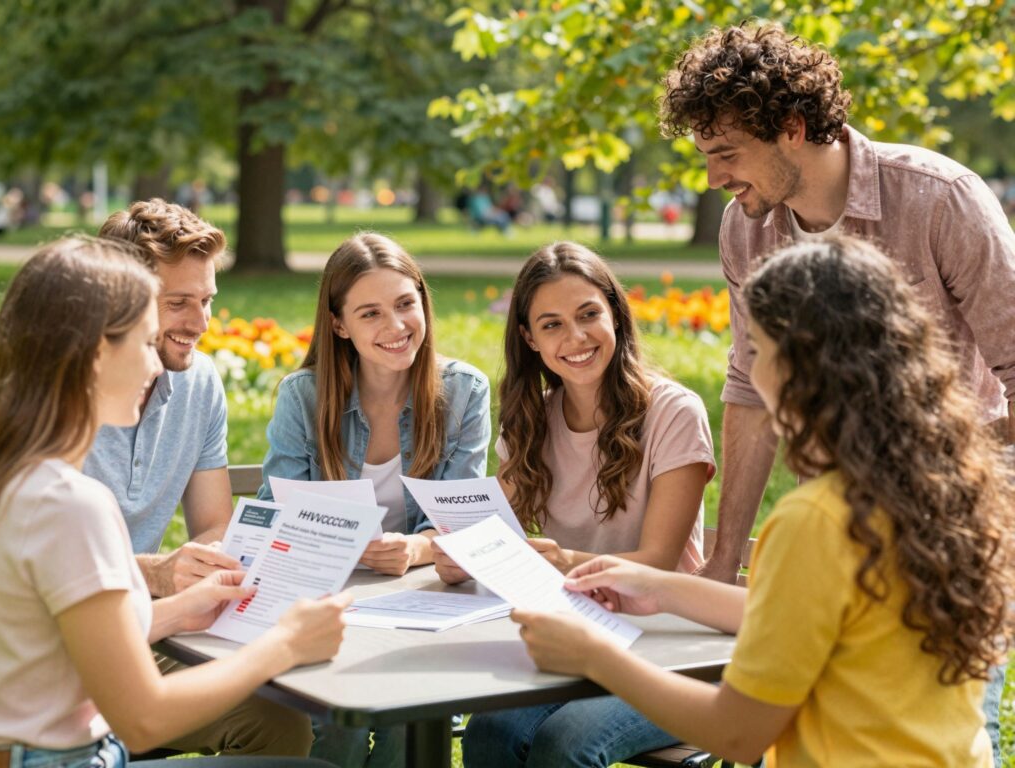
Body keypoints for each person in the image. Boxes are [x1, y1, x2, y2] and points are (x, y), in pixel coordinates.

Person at [511, 237, 1015, 766]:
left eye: (759, 350)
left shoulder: (815, 518)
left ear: (801, 368)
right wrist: (656, 586)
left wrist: (594, 656)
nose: (752, 372)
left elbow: (737, 734)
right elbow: (802, 613)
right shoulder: (947, 490)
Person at [659, 25, 1015, 757]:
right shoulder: (745, 229)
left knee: (931, 727)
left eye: (726, 154)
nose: (715, 177)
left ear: (791, 129)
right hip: (834, 524)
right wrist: (725, 562)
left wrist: (964, 504)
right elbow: (748, 390)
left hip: (946, 524)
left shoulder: (939, 199)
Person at [0, 236, 352, 768]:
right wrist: (287, 646)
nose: (156, 367)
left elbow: (54, 636)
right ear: (94, 357)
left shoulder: (19, 474)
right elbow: (144, 718)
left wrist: (181, 610)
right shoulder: (71, 504)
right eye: (142, 343)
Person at [435, 242, 715, 768]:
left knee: (563, 745)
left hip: (666, 647)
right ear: (529, 338)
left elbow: (657, 562)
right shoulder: (532, 419)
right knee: (488, 735)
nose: (576, 338)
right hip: (573, 636)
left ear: (615, 314)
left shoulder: (674, 412)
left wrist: (566, 562)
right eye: (552, 325)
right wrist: (462, 556)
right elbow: (496, 534)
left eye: (589, 315)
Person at [257, 231, 491, 767]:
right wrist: (342, 546)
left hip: (420, 606)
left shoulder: (463, 393)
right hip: (328, 600)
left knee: (406, 723)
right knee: (333, 723)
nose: (396, 326)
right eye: (370, 314)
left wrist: (414, 549)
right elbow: (272, 520)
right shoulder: (305, 397)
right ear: (339, 325)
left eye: (406, 304)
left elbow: (464, 522)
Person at [89, 198, 314, 757]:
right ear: (121, 304)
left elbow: (214, 525)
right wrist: (158, 576)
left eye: (208, 299)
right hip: (59, 657)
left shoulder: (198, 382)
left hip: (140, 628)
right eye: (179, 303)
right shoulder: (50, 404)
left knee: (280, 723)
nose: (201, 323)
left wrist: (197, 571)